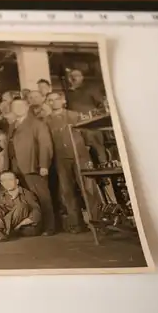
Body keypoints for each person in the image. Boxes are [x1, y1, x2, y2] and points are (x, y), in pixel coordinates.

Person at [45, 92, 100, 232]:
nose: (54, 102)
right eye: (50, 100)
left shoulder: (74, 116)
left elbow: (88, 133)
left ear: (63, 100)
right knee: (67, 191)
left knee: (89, 189)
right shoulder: (46, 121)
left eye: (56, 99)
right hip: (61, 159)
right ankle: (76, 224)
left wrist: (85, 148)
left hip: (80, 156)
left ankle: (99, 222)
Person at [7, 99, 55, 235]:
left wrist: (44, 165)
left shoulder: (37, 124)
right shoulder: (12, 125)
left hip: (33, 166)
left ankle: (49, 227)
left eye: (21, 105)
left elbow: (45, 145)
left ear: (27, 107)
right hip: (16, 168)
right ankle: (34, 227)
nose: (18, 108)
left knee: (42, 197)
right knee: (27, 199)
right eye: (14, 106)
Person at [0, 171, 42, 242]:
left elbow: (37, 213)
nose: (7, 183)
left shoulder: (27, 194)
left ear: (17, 181)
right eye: (4, 181)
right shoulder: (1, 195)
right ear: (2, 183)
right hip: (7, 225)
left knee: (22, 205)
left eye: (10, 180)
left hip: (23, 225)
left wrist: (19, 225)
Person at [66, 69, 108, 166]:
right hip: (77, 127)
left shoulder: (91, 90)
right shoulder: (68, 93)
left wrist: (93, 115)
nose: (74, 77)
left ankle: (105, 170)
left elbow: (102, 106)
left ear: (82, 77)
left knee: (97, 149)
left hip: (91, 125)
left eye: (77, 75)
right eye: (72, 75)